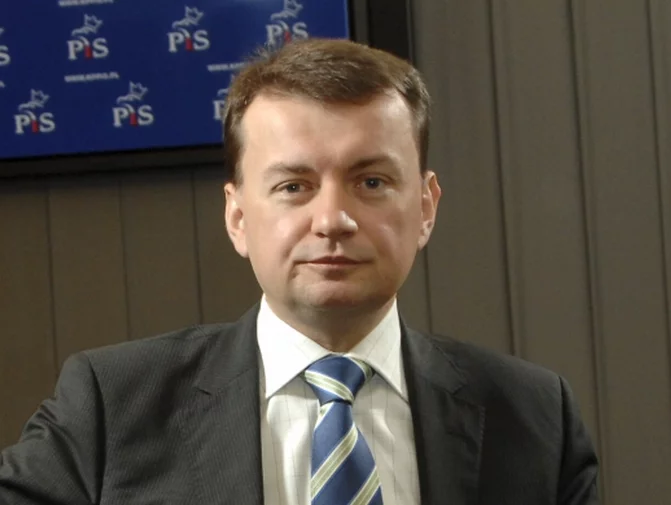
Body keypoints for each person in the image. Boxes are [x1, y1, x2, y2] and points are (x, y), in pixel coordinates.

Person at [0, 38, 599, 505]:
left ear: (425, 207)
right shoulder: (113, 405)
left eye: (371, 181)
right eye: (293, 186)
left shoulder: (535, 418)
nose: (333, 219)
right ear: (238, 216)